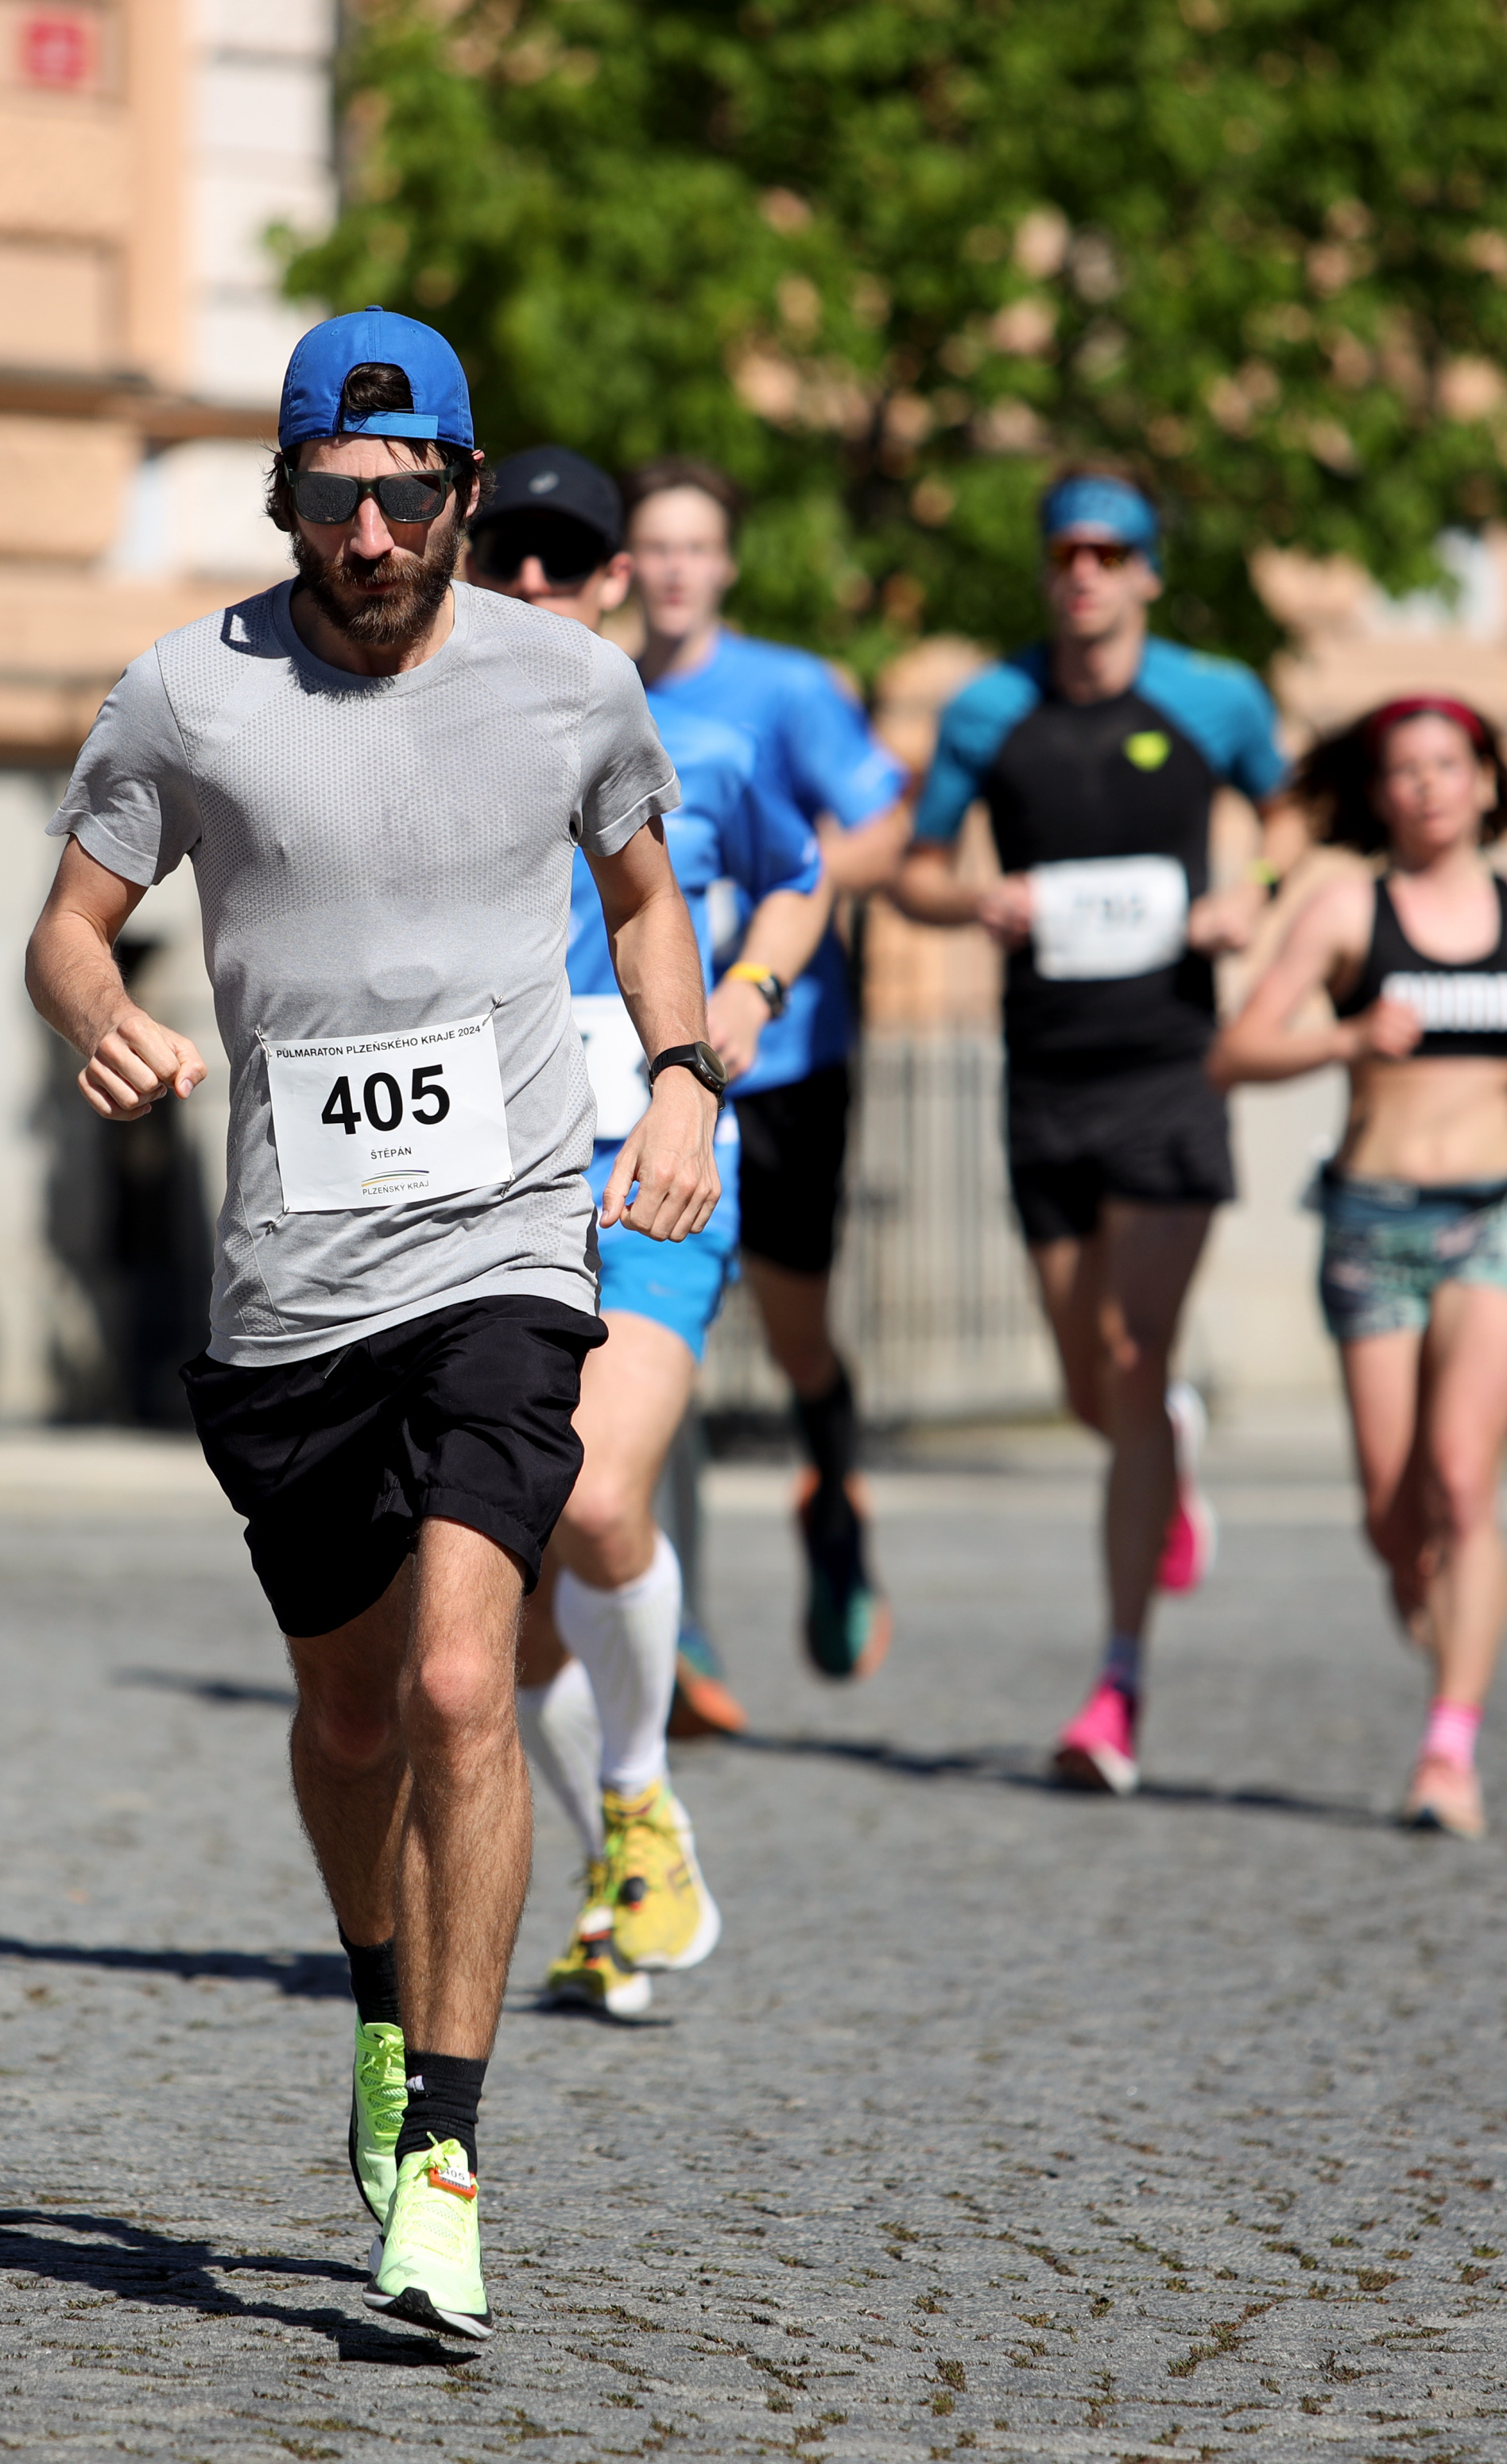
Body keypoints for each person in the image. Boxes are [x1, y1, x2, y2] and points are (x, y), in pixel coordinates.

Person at [24, 312, 727, 2341]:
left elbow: (645, 895)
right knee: (346, 1715)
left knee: (455, 1679)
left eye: (406, 496)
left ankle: (445, 2154)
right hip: (292, 1286)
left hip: (505, 1247)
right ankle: (375, 1992)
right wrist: (103, 1013)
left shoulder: (568, 682)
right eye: (333, 496)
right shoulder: (188, 692)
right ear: (286, 494)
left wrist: (682, 1077)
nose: (370, 535)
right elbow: (66, 927)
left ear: (463, 490)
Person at [463, 445, 826, 2017]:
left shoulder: (702, 738)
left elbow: (800, 877)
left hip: (653, 1167)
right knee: (501, 1590)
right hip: (481, 1187)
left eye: (568, 560)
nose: (537, 584)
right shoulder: (426, 728)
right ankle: (631, 1851)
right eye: (511, 559)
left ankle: (635, 1793)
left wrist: (745, 990)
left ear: (614, 579)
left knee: (601, 1494)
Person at [895, 467, 1294, 1796]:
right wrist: (979, 904)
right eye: (1066, 551)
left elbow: (1295, 810)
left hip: (1173, 1070)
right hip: (1045, 1078)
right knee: (1089, 1382)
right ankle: (1165, 1437)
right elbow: (915, 871)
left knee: (1133, 1351)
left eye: (1109, 554)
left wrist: (1253, 889)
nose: (1085, 573)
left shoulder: (1215, 698)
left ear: (1147, 573)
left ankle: (1117, 1685)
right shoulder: (988, 708)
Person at [1211, 696, 1507, 1837]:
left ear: (1488, 782)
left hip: (1494, 1219)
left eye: (1451, 766)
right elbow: (1237, 1049)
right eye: (1406, 771)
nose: (1430, 787)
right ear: (1380, 793)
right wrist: (1347, 1038)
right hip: (1374, 1227)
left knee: (1462, 1478)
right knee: (1391, 1513)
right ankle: (1427, 1603)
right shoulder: (1347, 909)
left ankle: (1450, 1748)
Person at [625, 457, 911, 1691]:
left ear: (727, 564)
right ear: (626, 564)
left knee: (797, 1335)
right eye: (656, 546)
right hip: (643, 1071)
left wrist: (765, 954)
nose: (676, 569)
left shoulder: (787, 691)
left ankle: (834, 1498)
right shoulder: (598, 691)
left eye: (697, 547)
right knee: (648, 1342)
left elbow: (883, 827)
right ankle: (669, 1620)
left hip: (785, 1061)